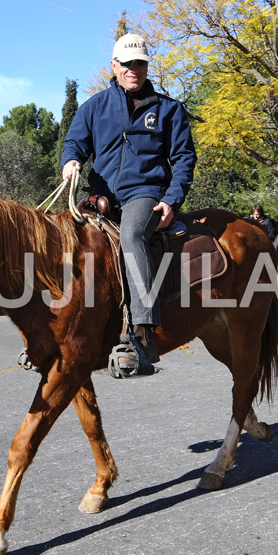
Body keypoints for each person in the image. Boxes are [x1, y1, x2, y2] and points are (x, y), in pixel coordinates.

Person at [61, 33, 197, 367]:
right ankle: (58, 326)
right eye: (126, 64)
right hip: (100, 196)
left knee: (133, 235)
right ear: (114, 66)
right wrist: (71, 161)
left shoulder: (170, 110)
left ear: (147, 66)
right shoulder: (95, 106)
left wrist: (171, 200)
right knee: (60, 234)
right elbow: (74, 142)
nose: (133, 69)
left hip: (145, 193)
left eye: (139, 63)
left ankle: (143, 330)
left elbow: (184, 160)